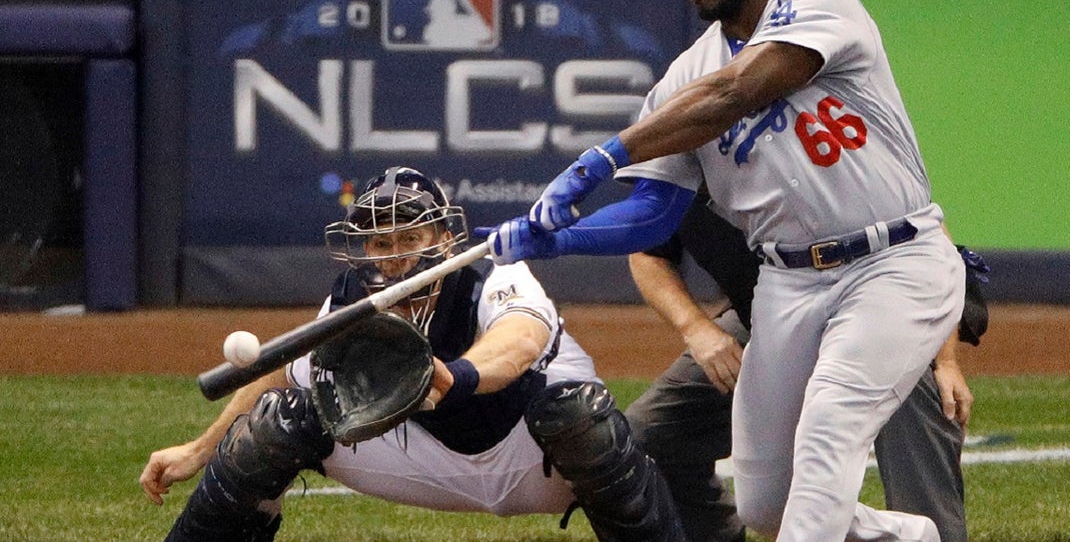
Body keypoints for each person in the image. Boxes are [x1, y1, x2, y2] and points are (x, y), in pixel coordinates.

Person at [479, 0, 967, 542]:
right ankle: (910, 537)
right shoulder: (681, 79)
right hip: (789, 284)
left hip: (893, 261)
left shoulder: (820, 2)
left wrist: (604, 155)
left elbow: (739, 89)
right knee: (768, 503)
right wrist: (554, 237)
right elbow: (652, 217)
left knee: (828, 428)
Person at [139, 166, 685, 541]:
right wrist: (200, 449)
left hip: (527, 457)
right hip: (412, 455)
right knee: (277, 421)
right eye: (380, 242)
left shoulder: (492, 270)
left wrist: (458, 375)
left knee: (579, 416)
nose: (394, 256)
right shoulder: (352, 299)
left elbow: (519, 342)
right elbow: (286, 373)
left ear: (445, 237)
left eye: (410, 236)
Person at [622, 192, 990, 542]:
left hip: (875, 308)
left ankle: (938, 532)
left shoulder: (789, 139)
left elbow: (920, 229)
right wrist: (697, 329)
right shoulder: (673, 160)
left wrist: (945, 360)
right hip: (770, 323)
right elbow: (645, 252)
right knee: (649, 435)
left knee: (918, 388)